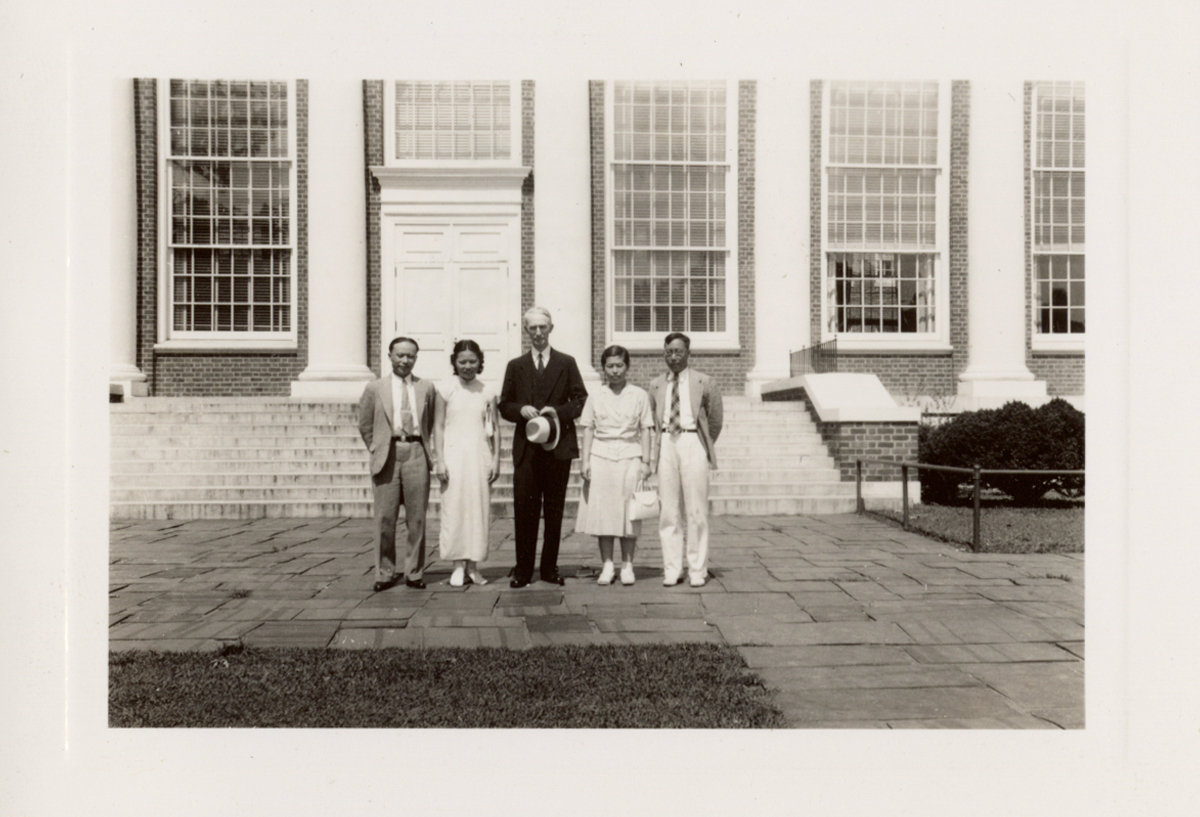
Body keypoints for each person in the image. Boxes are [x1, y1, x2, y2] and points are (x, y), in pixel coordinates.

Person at [498, 306, 588, 588]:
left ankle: (549, 568)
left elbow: (580, 400)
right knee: (524, 512)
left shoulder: (566, 362)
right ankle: (523, 570)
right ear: (526, 331)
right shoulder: (516, 365)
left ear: (551, 329)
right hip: (526, 450)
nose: (538, 333)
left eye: (543, 327)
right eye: (532, 328)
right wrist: (520, 408)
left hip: (556, 447)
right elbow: (504, 404)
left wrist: (557, 412)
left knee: (554, 510)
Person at [358, 337, 437, 592]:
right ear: (390, 356)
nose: (405, 360)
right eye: (400, 355)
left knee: (417, 519)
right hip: (388, 454)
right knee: (385, 518)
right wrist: (375, 446)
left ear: (416, 358)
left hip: (416, 452)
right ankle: (385, 572)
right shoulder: (375, 388)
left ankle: (414, 572)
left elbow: (430, 421)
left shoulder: (426, 387)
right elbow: (365, 423)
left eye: (410, 356)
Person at [648, 332, 724, 587]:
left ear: (688, 353)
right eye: (669, 351)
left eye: (678, 351)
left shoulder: (704, 381)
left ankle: (697, 569)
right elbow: (652, 419)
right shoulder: (656, 385)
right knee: (668, 511)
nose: (673, 356)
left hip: (693, 442)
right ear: (664, 354)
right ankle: (672, 568)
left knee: (696, 509)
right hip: (667, 444)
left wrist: (702, 443)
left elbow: (715, 420)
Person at [576, 346, 654, 586]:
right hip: (601, 455)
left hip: (630, 454)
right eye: (610, 366)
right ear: (604, 368)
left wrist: (646, 461)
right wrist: (585, 460)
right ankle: (608, 565)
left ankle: (628, 565)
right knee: (604, 513)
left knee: (628, 513)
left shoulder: (639, 395)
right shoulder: (596, 395)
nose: (615, 370)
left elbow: (645, 428)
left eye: (619, 365)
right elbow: (588, 428)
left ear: (627, 366)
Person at [433, 340, 501, 587]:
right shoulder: (445, 390)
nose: (467, 366)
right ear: (455, 362)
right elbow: (438, 426)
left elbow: (493, 429)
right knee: (454, 510)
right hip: (453, 456)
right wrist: (439, 459)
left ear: (480, 362)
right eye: (462, 361)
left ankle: (474, 566)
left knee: (478, 511)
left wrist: (495, 459)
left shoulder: (488, 391)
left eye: (472, 361)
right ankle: (457, 566)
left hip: (479, 456)